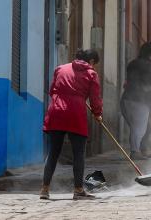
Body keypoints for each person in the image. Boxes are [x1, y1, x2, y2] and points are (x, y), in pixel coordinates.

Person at [41, 49, 103, 200]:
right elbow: (95, 98)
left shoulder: (60, 69)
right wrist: (97, 113)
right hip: (76, 114)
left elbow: (52, 91)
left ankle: (44, 189)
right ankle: (78, 189)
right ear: (92, 61)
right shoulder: (91, 74)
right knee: (78, 154)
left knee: (53, 153)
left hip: (57, 110)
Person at [120, 42, 151, 160]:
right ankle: (135, 152)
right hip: (140, 100)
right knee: (139, 128)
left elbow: (128, 81)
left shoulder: (132, 63)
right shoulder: (149, 65)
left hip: (126, 99)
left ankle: (142, 150)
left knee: (139, 127)